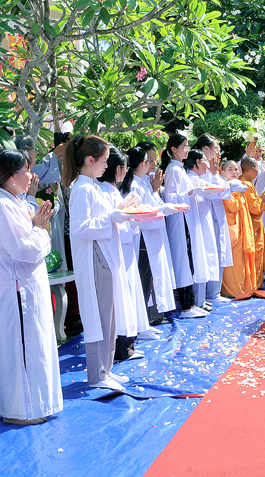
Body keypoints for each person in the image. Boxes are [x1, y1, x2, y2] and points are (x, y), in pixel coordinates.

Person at [0, 149, 62, 425]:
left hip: (22, 289)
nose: (32, 175)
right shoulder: (2, 206)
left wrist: (36, 225)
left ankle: (32, 406)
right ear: (12, 177)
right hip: (17, 293)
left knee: (31, 349)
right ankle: (20, 411)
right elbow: (24, 250)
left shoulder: (11, 202)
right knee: (22, 350)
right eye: (27, 170)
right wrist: (39, 229)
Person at [65, 135, 137, 390]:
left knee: (109, 314)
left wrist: (120, 210)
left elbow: (103, 217)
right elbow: (80, 227)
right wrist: (113, 217)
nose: (107, 165)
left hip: (104, 253)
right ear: (90, 160)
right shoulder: (82, 189)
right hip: (95, 256)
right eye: (104, 160)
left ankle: (105, 370)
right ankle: (97, 374)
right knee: (100, 316)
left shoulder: (92, 186)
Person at [97, 147, 149, 360]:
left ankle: (127, 345)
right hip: (115, 250)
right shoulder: (104, 192)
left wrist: (134, 218)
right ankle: (122, 348)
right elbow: (112, 223)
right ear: (118, 169)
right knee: (120, 299)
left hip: (122, 248)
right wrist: (130, 216)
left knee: (126, 297)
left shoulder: (111, 190)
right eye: (125, 168)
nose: (126, 172)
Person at [122, 147, 181, 326]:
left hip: (149, 235)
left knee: (149, 278)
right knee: (143, 278)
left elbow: (151, 205)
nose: (153, 164)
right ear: (142, 163)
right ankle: (141, 323)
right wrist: (161, 211)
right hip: (142, 237)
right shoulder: (134, 185)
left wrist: (161, 205)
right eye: (149, 160)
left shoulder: (143, 182)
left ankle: (146, 321)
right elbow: (141, 212)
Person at [161, 134, 205, 318]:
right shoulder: (173, 169)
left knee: (189, 259)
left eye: (188, 146)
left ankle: (191, 302)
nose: (187, 149)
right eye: (184, 146)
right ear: (173, 149)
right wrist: (190, 193)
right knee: (183, 260)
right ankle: (186, 305)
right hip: (178, 220)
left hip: (185, 218)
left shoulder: (179, 168)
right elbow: (169, 197)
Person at [185, 149, 228, 311]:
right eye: (204, 160)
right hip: (196, 225)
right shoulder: (190, 179)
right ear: (197, 162)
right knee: (199, 260)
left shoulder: (198, 179)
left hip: (203, 222)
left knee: (205, 258)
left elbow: (218, 191)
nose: (207, 164)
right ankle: (198, 300)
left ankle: (201, 299)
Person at [195, 134, 234, 302]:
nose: (218, 152)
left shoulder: (212, 168)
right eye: (216, 148)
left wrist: (214, 174)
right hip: (204, 215)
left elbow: (223, 189)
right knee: (208, 252)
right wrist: (211, 173)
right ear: (206, 149)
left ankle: (214, 292)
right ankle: (207, 294)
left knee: (219, 249)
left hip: (216, 212)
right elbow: (209, 191)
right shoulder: (197, 167)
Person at [221, 160, 256, 297]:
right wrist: (239, 194)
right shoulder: (224, 187)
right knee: (234, 262)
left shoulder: (239, 186)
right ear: (222, 172)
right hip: (231, 228)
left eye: (236, 169)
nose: (234, 172)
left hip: (241, 227)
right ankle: (234, 290)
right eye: (230, 169)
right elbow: (233, 206)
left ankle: (246, 288)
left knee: (242, 260)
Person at [240, 157, 265, 288]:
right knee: (256, 252)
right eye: (257, 169)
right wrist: (262, 200)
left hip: (251, 224)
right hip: (253, 225)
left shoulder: (244, 182)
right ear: (253, 169)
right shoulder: (247, 185)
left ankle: (255, 280)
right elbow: (253, 208)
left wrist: (259, 199)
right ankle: (255, 283)